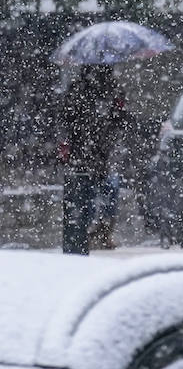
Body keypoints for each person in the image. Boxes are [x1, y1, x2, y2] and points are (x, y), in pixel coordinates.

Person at [56, 65, 126, 255]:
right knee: (102, 189)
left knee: (86, 191)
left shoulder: (78, 88)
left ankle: (88, 229)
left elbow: (67, 117)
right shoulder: (112, 89)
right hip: (99, 149)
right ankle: (98, 230)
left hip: (86, 149)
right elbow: (120, 119)